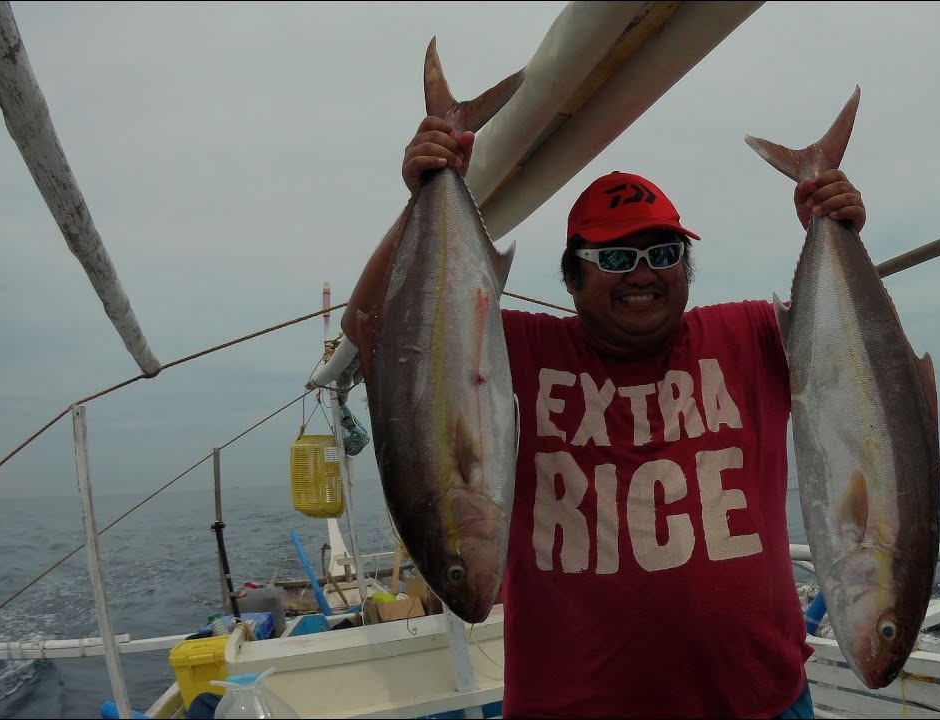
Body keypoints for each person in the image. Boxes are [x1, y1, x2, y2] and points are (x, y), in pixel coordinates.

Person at [343, 116, 867, 719]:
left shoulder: (750, 336)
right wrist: (421, 201)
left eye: (663, 252)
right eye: (616, 256)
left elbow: (857, 354)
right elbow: (375, 327)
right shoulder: (511, 352)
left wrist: (838, 229)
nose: (642, 273)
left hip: (762, 704)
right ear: (572, 276)